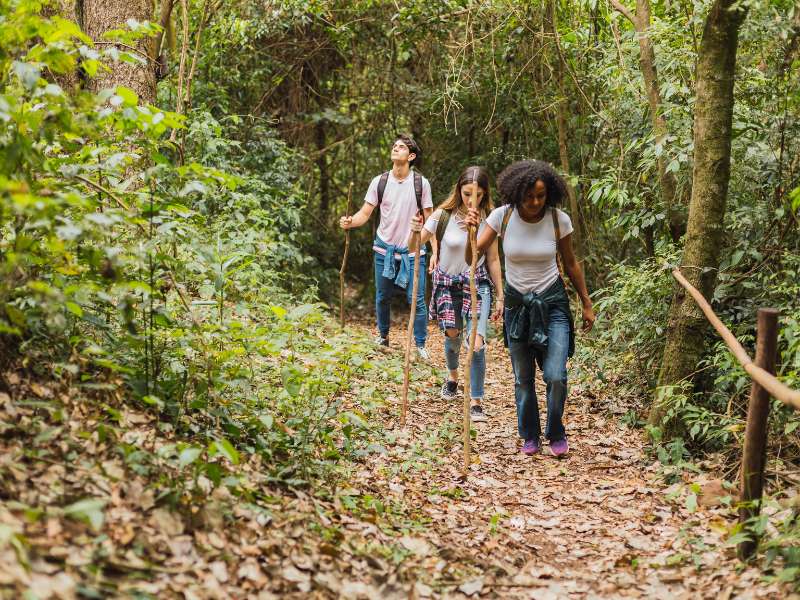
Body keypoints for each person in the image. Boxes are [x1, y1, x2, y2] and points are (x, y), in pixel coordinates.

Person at [465, 159, 595, 456]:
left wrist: (587, 302)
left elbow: (572, 263)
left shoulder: (557, 219)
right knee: (523, 378)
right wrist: (472, 233)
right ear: (516, 194)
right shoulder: (502, 217)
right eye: (529, 196)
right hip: (516, 306)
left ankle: (556, 430)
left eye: (541, 196)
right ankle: (530, 435)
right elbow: (471, 257)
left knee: (555, 375)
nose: (535, 202)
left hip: (553, 304)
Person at [408, 166, 503, 422]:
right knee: (452, 335)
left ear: (485, 194)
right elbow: (413, 245)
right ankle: (452, 376)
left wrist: (501, 295)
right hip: (446, 284)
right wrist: (415, 230)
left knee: (477, 343)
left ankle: (476, 402)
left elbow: (493, 260)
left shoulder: (490, 219)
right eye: (467, 192)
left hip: (477, 285)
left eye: (479, 194)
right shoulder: (442, 215)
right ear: (459, 189)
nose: (472, 199)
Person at [339, 135, 433, 359]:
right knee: (382, 296)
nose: (396, 148)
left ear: (411, 156)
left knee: (416, 299)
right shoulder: (379, 181)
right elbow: (365, 213)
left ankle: (420, 345)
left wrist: (435, 252)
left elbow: (431, 220)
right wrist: (350, 222)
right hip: (384, 249)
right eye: (395, 146)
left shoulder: (421, 183)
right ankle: (383, 336)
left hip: (413, 251)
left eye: (401, 147)